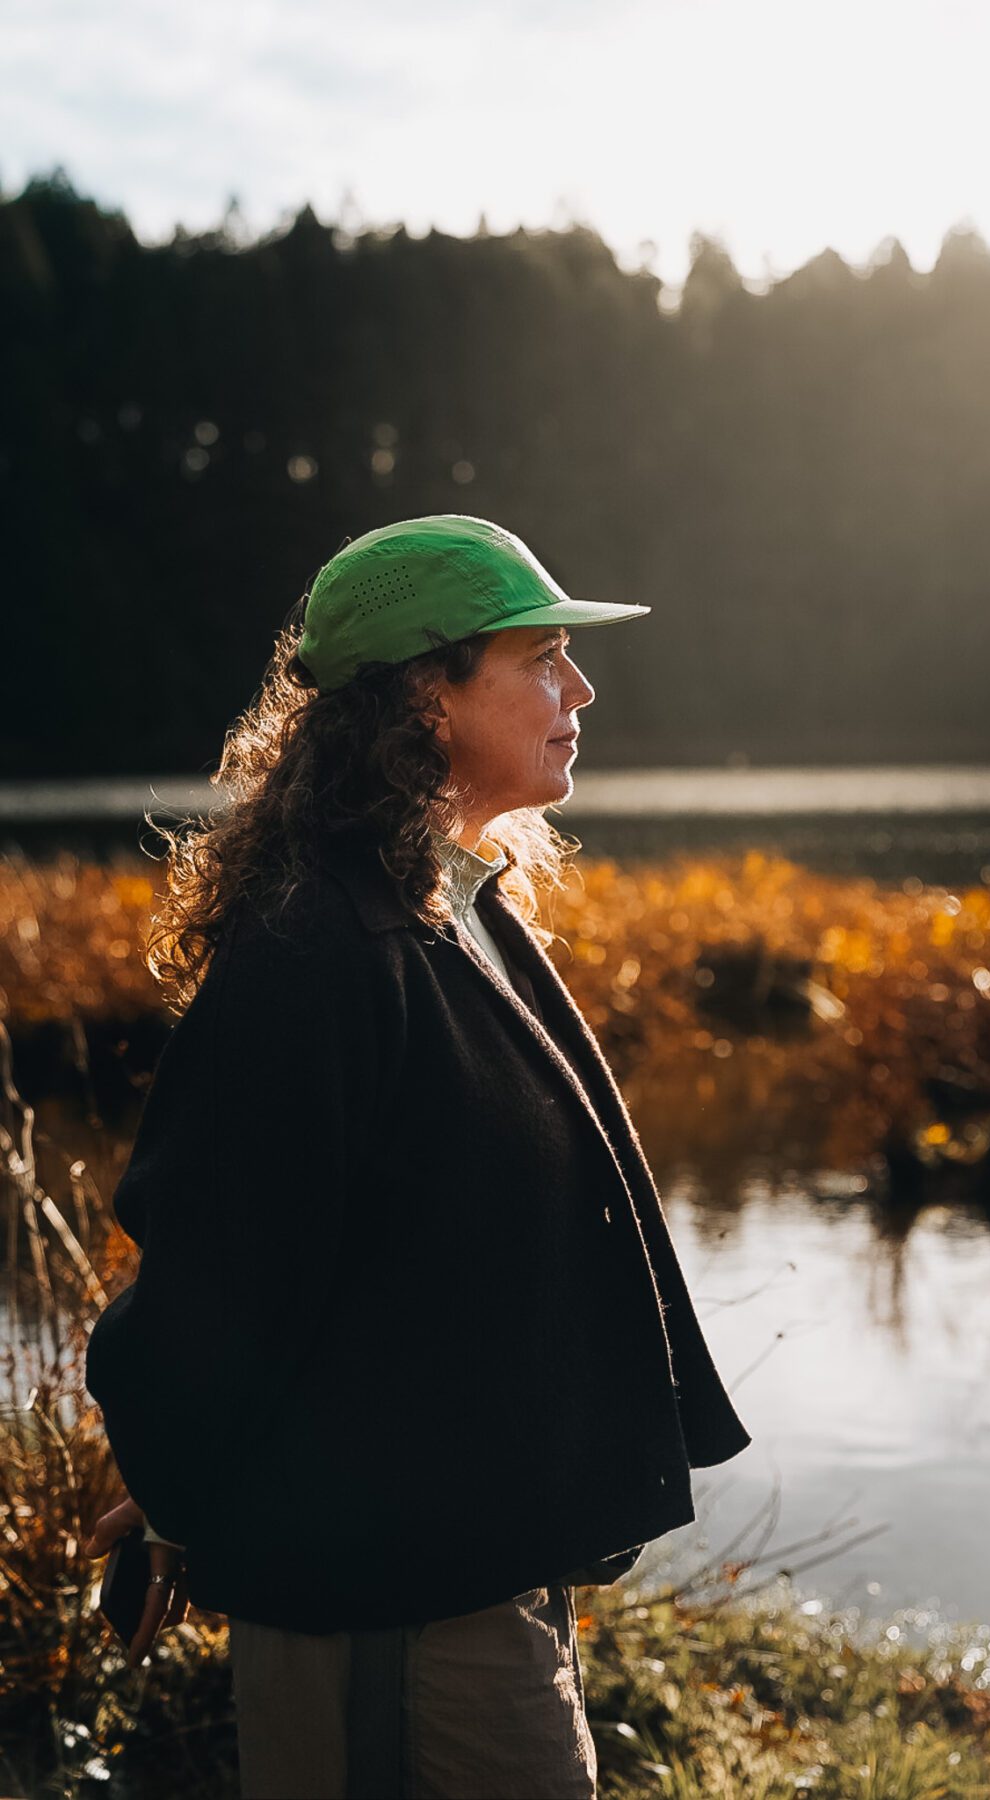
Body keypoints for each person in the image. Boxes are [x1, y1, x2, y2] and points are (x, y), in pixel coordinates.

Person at [82, 514, 752, 1799]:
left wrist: (173, 1479)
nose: (580, 689)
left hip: (473, 1572)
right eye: (541, 658)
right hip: (385, 1606)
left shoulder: (444, 905)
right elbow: (219, 1271)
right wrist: (171, 1485)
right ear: (425, 698)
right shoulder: (322, 952)